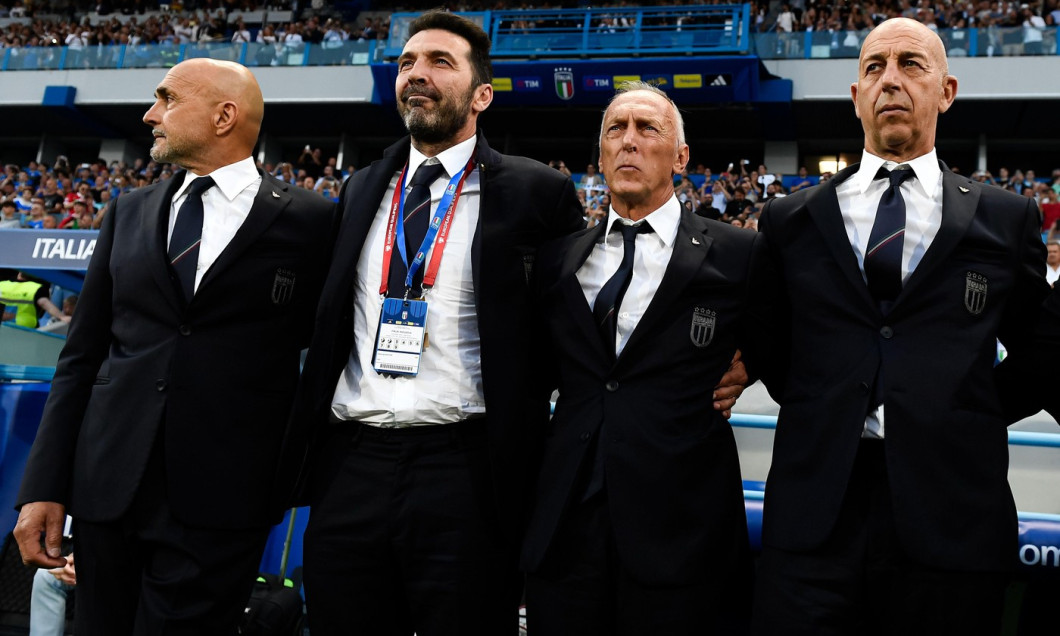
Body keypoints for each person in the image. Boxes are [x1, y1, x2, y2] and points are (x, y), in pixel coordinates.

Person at [13, 58, 335, 636]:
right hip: (106, 489)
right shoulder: (127, 213)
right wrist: (43, 487)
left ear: (223, 116)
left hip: (225, 502)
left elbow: (326, 359)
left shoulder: (313, 223)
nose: (150, 114)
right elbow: (80, 358)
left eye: (166, 99)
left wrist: (284, 482)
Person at [751, 18, 1050, 636]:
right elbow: (772, 349)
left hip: (954, 522)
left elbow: (1042, 352)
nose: (890, 79)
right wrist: (827, 400)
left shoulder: (1007, 217)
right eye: (873, 67)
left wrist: (970, 407)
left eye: (911, 64)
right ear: (856, 95)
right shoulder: (790, 220)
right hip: (814, 521)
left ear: (947, 90)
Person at [291, 12, 584, 635]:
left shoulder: (539, 193)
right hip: (353, 465)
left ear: (482, 95)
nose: (416, 75)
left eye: (439, 63)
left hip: (468, 471)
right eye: (406, 64)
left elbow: (571, 330)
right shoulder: (363, 186)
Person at [520, 82, 772, 636]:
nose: (628, 142)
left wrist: (749, 364)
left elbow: (788, 345)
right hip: (567, 523)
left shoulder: (740, 253)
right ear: (601, 153)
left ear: (681, 158)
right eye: (616, 130)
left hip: (684, 527)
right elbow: (534, 370)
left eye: (647, 129)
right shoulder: (559, 259)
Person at [0, 272, 69, 328]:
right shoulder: (36, 289)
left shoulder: (1, 285)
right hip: (24, 333)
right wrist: (62, 317)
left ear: (19, 272)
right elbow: (44, 303)